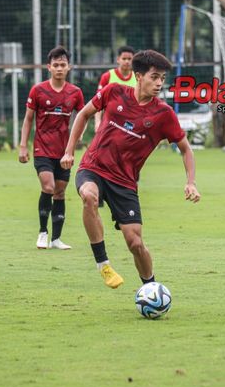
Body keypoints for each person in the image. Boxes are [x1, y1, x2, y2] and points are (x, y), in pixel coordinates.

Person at [60, 49, 200, 288]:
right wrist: (69, 151)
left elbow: (186, 149)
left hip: (124, 182)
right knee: (89, 196)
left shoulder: (163, 114)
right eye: (154, 77)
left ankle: (151, 287)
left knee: (135, 243)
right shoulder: (114, 92)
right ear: (138, 76)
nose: (158, 83)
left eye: (162, 79)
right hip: (93, 167)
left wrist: (191, 182)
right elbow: (83, 114)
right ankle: (102, 264)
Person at [19, 46, 85, 250]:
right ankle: (42, 233)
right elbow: (29, 119)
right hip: (42, 149)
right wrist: (23, 146)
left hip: (64, 151)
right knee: (48, 187)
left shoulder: (75, 93)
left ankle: (56, 239)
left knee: (60, 193)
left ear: (69, 67)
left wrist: (78, 136)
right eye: (55, 65)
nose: (59, 68)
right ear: (49, 67)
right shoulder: (38, 90)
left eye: (62, 65)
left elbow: (83, 116)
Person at [94, 46, 137, 133]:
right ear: (118, 59)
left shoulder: (137, 78)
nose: (127, 61)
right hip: (110, 122)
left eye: (129, 59)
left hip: (129, 123)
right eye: (124, 58)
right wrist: (97, 122)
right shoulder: (107, 76)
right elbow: (98, 101)